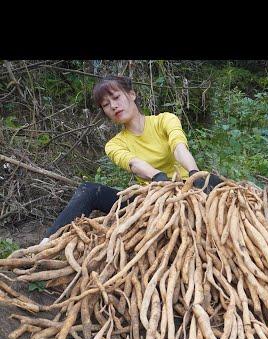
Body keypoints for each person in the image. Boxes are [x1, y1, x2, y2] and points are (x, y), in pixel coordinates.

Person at [40, 75, 222, 244]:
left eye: (116, 97)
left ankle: (214, 232)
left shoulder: (164, 120)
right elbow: (134, 163)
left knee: (210, 181)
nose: (113, 106)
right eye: (105, 104)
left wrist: (194, 174)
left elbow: (178, 147)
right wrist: (158, 177)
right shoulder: (114, 144)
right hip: (149, 200)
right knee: (88, 190)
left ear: (132, 94)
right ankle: (46, 245)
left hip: (185, 188)